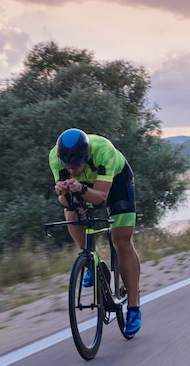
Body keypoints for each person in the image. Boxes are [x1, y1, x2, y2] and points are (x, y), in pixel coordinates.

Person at [49, 128, 142, 337]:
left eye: (76, 164)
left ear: (86, 155)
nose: (71, 169)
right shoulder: (54, 157)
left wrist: (80, 189)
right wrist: (62, 193)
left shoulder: (103, 150)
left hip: (116, 183)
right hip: (85, 186)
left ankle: (134, 308)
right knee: (71, 212)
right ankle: (90, 260)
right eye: (67, 165)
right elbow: (65, 203)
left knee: (122, 241)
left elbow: (100, 199)